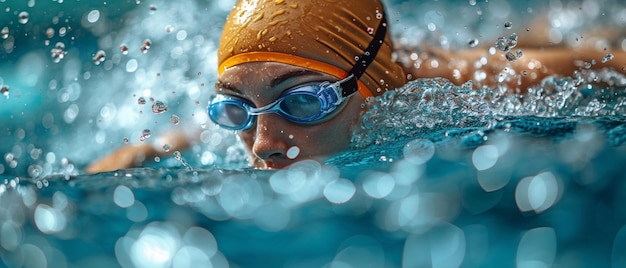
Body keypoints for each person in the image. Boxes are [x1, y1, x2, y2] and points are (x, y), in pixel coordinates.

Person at [86, 0, 625, 173]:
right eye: (235, 110)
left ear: (371, 86)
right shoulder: (261, 121)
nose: (264, 143)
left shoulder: (485, 90)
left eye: (304, 101)